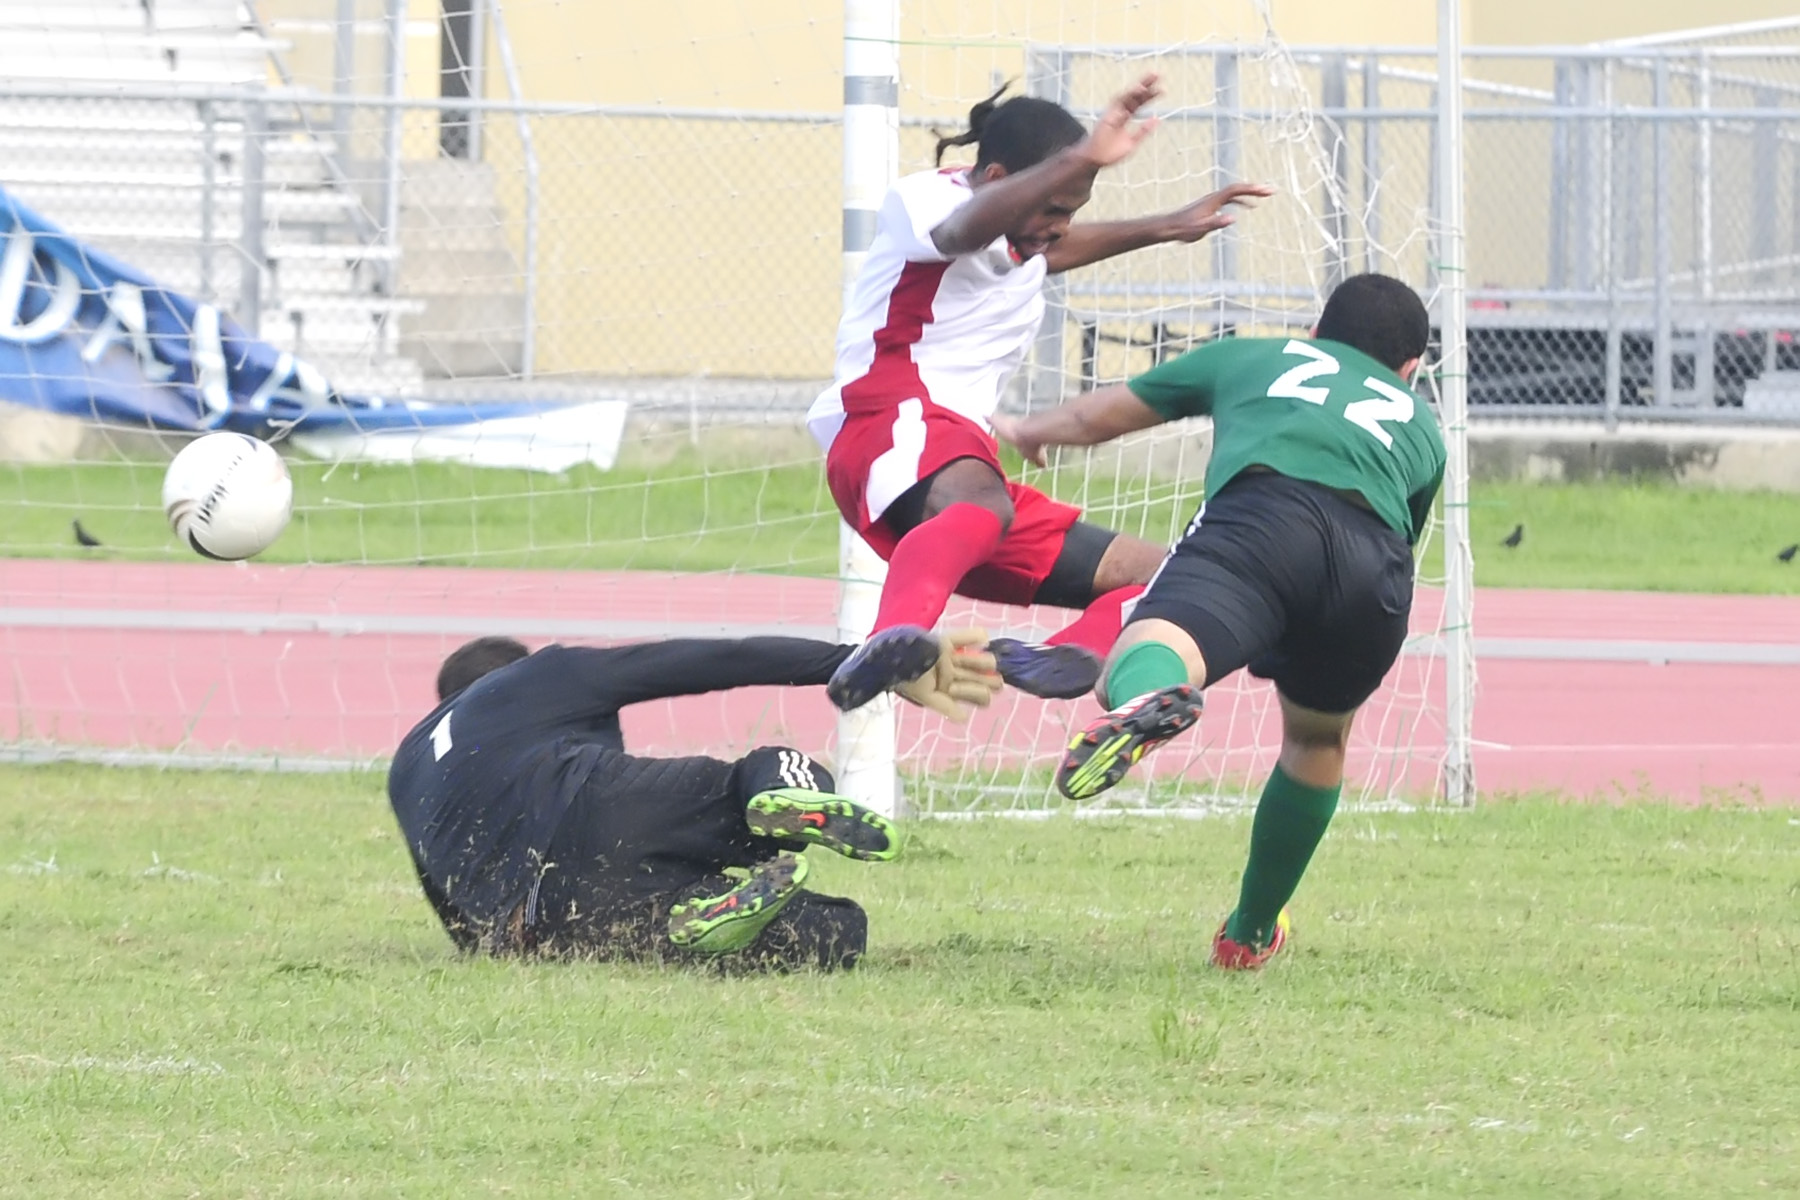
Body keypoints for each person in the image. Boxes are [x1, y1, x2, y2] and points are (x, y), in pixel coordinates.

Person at [994, 273, 1447, 970]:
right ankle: (1249, 934)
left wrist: (1027, 430)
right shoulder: (1423, 427)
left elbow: (1099, 417)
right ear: (1410, 368)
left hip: (1262, 521)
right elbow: (1405, 529)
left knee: (1148, 647)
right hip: (1373, 569)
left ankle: (1148, 698)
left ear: (1315, 333)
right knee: (1317, 738)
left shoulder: (1255, 356)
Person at [808, 73, 1273, 712]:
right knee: (984, 503)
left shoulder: (1020, 245)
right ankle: (891, 640)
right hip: (886, 417)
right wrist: (1078, 158)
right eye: (1054, 208)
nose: (1060, 227)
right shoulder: (929, 198)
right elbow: (963, 232)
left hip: (957, 473)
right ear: (999, 178)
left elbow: (1044, 247)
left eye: (1071, 211)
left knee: (1172, 576)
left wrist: (1167, 225)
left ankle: (1066, 652)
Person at [385, 630, 999, 971]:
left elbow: (461, 923)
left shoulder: (407, 767)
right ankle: (782, 794)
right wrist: (856, 665)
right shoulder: (535, 675)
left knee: (820, 931)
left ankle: (687, 914)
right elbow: (707, 661)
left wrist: (515, 940)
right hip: (591, 802)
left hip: (547, 918)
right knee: (761, 784)